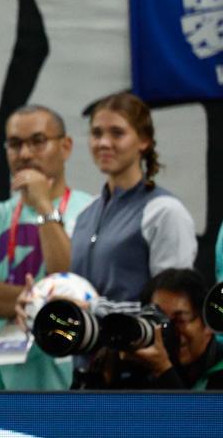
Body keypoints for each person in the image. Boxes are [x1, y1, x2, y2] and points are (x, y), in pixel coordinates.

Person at [0, 104, 90, 392]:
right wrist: (42, 303)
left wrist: (44, 204)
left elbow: (71, 280)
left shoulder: (91, 211)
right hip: (4, 378)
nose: (26, 155)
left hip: (72, 375)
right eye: (15, 144)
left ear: (66, 146)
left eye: (38, 141)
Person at [70, 92, 199, 303]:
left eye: (117, 133)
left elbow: (170, 308)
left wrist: (95, 311)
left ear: (144, 141)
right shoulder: (85, 214)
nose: (103, 143)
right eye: (96, 133)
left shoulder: (165, 211)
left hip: (137, 337)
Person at [80, 268, 223, 390]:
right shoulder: (142, 365)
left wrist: (163, 369)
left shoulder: (218, 371)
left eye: (179, 320)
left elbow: (198, 421)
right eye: (157, 319)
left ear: (206, 323)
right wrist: (108, 374)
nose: (167, 330)